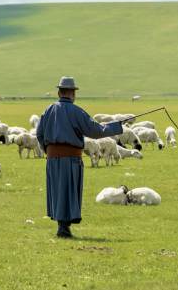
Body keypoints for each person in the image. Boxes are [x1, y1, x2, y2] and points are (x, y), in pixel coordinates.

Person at [36, 76, 125, 238]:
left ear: (59, 92)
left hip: (52, 159)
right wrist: (117, 126)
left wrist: (47, 151)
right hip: (70, 159)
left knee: (58, 191)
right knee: (67, 191)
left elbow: (39, 133)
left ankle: (62, 226)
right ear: (73, 93)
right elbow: (95, 131)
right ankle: (63, 227)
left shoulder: (48, 110)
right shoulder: (76, 112)